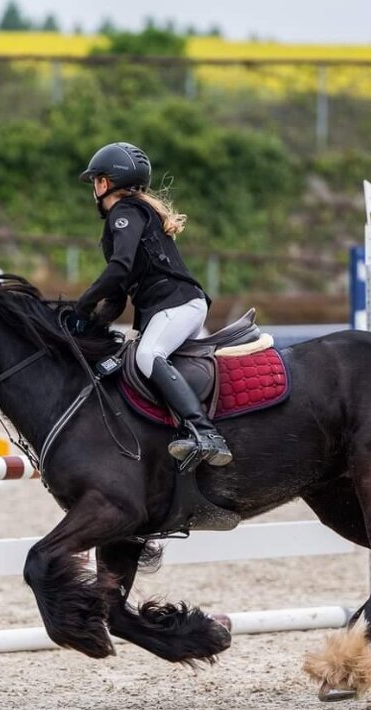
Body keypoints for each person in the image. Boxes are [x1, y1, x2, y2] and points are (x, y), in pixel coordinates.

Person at [72, 141, 232, 467]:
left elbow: (119, 269)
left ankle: (204, 432)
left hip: (178, 306)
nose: (94, 189)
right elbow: (117, 297)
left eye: (96, 181)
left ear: (105, 183)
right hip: (175, 306)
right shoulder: (131, 216)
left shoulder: (125, 212)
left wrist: (81, 304)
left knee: (148, 355)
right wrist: (91, 323)